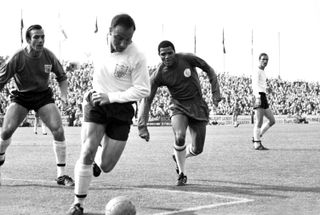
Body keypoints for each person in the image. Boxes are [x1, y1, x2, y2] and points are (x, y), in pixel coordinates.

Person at [67, 14, 150, 215]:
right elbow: (80, 62)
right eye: (118, 37)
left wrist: (110, 97)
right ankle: (78, 204)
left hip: (121, 109)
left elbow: (143, 90)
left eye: (128, 39)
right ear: (109, 32)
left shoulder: (137, 56)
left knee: (106, 165)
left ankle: (97, 159)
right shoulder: (96, 45)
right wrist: (88, 92)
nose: (122, 43)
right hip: (96, 103)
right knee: (87, 150)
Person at [138, 40, 221, 186]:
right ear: (159, 55)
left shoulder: (187, 58)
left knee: (197, 149)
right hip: (178, 107)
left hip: (197, 105)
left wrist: (215, 92)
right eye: (163, 54)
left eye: (170, 53)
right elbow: (147, 100)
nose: (167, 57)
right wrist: (142, 125)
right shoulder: (159, 74)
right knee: (180, 136)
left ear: (174, 52)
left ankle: (178, 155)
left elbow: (209, 69)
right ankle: (182, 174)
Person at [0, 24, 74, 186]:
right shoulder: (17, 57)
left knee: (58, 129)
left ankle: (61, 175)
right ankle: (1, 154)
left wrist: (63, 95)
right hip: (21, 96)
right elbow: (1, 79)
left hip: (43, 96)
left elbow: (62, 77)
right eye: (36, 37)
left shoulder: (49, 56)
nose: (40, 40)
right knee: (6, 131)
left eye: (42, 37)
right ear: (28, 39)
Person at [251, 53, 276, 150]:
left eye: (266, 59)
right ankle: (257, 144)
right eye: (263, 59)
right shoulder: (256, 70)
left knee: (272, 120)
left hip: (263, 95)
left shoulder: (263, 71)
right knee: (259, 121)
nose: (265, 61)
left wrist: (267, 89)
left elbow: (261, 84)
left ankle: (258, 136)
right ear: (259, 60)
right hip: (259, 96)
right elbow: (254, 85)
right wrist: (257, 97)